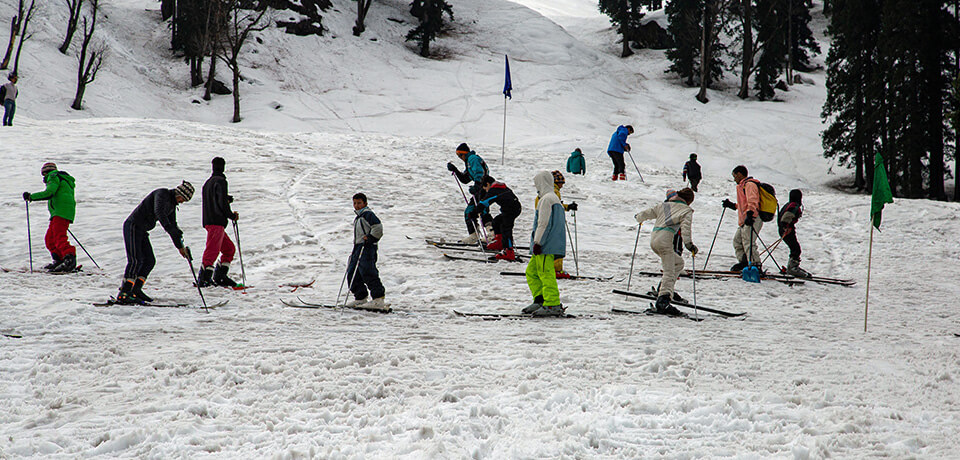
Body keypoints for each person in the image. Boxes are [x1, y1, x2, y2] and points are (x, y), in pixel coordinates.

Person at [116, 182, 194, 304]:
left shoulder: (172, 205)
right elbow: (159, 212)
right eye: (183, 199)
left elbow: (172, 225)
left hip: (142, 230)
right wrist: (170, 228)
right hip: (133, 226)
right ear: (179, 193)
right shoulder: (162, 193)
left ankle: (136, 290)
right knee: (135, 261)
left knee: (149, 260)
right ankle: (124, 293)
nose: (181, 202)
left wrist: (180, 247)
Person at [634, 188, 698, 315]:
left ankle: (665, 289)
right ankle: (663, 301)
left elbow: (648, 213)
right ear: (689, 201)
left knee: (678, 263)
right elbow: (686, 230)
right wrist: (689, 245)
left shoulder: (664, 205)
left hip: (654, 240)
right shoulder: (686, 210)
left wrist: (638, 217)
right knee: (669, 271)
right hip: (665, 241)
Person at [522, 171, 567, 317]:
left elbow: (543, 223)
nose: (536, 187)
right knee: (532, 272)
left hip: (545, 245)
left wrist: (537, 242)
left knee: (545, 274)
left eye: (537, 183)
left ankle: (552, 304)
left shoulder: (546, 199)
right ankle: (540, 299)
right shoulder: (553, 198)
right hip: (549, 244)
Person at [22, 162, 77, 272]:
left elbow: (50, 193)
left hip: (60, 212)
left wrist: (31, 197)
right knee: (50, 238)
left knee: (58, 237)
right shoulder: (62, 179)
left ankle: (68, 260)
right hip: (62, 211)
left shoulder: (53, 177)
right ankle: (60, 260)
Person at [197, 157, 240, 288]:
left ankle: (219, 276)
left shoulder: (208, 183)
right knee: (213, 250)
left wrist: (226, 199)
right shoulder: (221, 181)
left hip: (209, 220)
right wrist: (231, 215)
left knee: (229, 249)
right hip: (216, 221)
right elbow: (221, 202)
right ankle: (204, 278)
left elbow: (216, 199)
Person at [346, 193, 386, 310]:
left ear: (365, 203)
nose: (357, 205)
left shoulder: (367, 214)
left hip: (367, 247)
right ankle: (360, 297)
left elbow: (378, 227)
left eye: (359, 203)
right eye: (355, 203)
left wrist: (370, 238)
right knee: (353, 272)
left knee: (368, 271)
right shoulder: (359, 217)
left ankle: (378, 298)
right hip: (358, 247)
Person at [446, 142, 491, 244]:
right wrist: (455, 170)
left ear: (464, 153)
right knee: (470, 212)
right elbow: (465, 179)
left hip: (483, 188)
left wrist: (477, 185)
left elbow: (480, 173)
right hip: (480, 188)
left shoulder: (472, 159)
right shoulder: (469, 161)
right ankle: (474, 235)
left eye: (459, 155)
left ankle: (491, 234)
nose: (460, 158)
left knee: (481, 210)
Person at [722, 165, 763, 272]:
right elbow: (743, 204)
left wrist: (750, 214)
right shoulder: (742, 186)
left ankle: (755, 265)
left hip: (752, 218)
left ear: (740, 174)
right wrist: (732, 205)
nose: (734, 178)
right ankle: (744, 263)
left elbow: (753, 201)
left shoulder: (749, 185)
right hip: (745, 219)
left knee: (748, 242)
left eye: (734, 176)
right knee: (738, 241)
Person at [475, 175, 522, 261]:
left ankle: (509, 251)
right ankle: (499, 242)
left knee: (505, 228)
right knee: (497, 221)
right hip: (513, 208)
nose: (486, 190)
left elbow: (485, 201)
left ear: (488, 184)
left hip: (511, 210)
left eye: (485, 188)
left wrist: (475, 211)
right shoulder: (499, 187)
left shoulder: (494, 189)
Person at [545, 170, 578, 278]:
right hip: (554, 221)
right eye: (561, 183)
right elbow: (556, 205)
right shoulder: (554, 191)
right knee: (557, 244)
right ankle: (556, 270)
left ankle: (548, 267)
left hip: (548, 220)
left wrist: (567, 207)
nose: (562, 186)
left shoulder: (548, 190)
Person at [778, 189, 811, 278]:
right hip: (787, 230)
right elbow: (786, 217)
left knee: (794, 248)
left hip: (783, 229)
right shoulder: (794, 205)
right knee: (796, 249)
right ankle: (792, 268)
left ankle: (792, 267)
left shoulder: (788, 204)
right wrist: (786, 227)